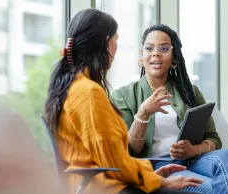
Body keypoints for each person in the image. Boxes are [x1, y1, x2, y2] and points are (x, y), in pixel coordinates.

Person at [44, 9, 202, 194]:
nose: (117, 47)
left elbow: (112, 159)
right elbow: (113, 163)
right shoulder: (89, 93)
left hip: (97, 182)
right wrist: (160, 182)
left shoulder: (73, 86)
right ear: (106, 43)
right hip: (103, 187)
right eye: (116, 40)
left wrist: (150, 174)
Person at [112, 24, 228, 194]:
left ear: (174, 58)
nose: (156, 53)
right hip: (160, 166)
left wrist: (192, 150)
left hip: (196, 160)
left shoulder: (190, 91)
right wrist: (144, 113)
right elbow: (129, 150)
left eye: (164, 48)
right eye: (149, 48)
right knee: (218, 189)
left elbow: (214, 139)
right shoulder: (123, 95)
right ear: (142, 55)